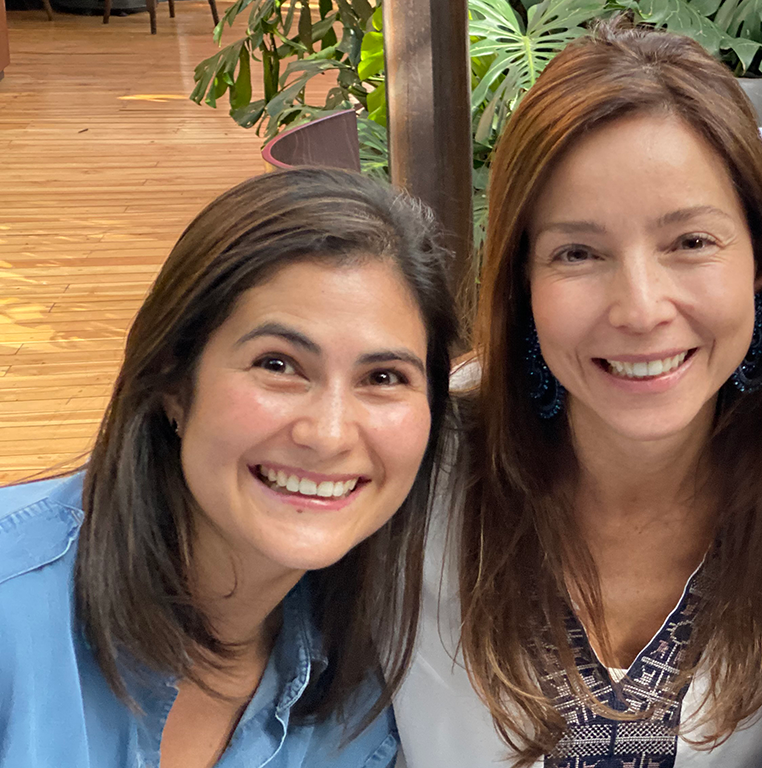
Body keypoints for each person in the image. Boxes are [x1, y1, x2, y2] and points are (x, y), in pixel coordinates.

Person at [393, 20, 762, 768]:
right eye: (577, 253)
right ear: (522, 282)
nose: (640, 309)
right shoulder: (417, 468)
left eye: (690, 243)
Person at [0, 168, 459, 768]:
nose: (327, 434)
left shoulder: (375, 685)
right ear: (172, 380)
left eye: (383, 378)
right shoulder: (16, 614)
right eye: (278, 364)